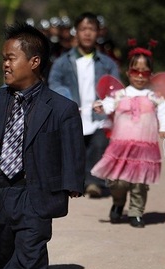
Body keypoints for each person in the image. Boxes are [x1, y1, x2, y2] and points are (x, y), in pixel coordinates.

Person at [0, 22, 85, 269]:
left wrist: (72, 183)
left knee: (31, 239)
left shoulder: (61, 108)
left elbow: (72, 149)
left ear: (34, 62)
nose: (4, 64)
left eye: (11, 58)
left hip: (34, 187)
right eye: (4, 58)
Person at [91, 45, 165, 227]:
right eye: (136, 71)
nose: (140, 76)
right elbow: (108, 104)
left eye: (145, 72)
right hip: (120, 146)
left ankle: (136, 212)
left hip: (145, 147)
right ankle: (118, 203)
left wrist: (164, 127)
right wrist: (101, 106)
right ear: (128, 72)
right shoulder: (120, 94)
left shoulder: (154, 97)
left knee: (139, 182)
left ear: (150, 74)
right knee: (117, 181)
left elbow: (164, 114)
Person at [48, 12, 121, 198]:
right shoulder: (62, 62)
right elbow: (54, 83)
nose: (87, 33)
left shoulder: (107, 63)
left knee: (98, 145)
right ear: (76, 32)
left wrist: (106, 103)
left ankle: (94, 183)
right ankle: (76, 182)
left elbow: (115, 89)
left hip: (99, 118)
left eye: (91, 29)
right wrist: (67, 98)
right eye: (83, 29)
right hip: (74, 116)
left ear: (98, 33)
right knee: (75, 150)